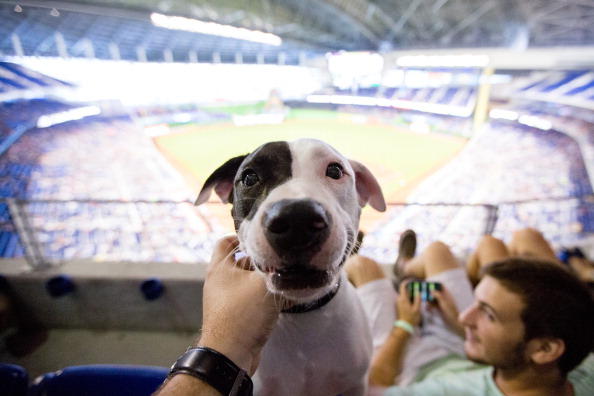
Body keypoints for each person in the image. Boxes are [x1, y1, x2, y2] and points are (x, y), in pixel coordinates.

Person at [345, 227, 594, 395]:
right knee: (438, 251)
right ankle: (405, 266)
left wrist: (404, 325)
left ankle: (344, 256)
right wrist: (457, 324)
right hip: (467, 348)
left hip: (403, 359)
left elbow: (372, 388)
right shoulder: (581, 372)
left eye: (488, 313)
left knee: (361, 265)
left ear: (544, 349)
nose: (466, 316)